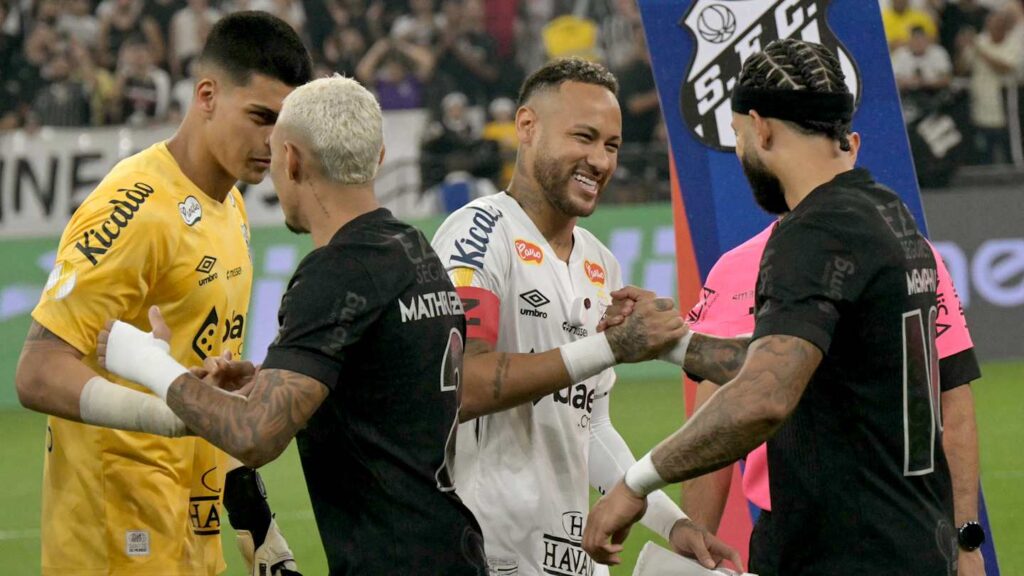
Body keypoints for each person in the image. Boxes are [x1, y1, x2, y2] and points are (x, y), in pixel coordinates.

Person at [583, 38, 964, 575]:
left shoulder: (813, 231)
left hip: (846, 555)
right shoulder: (889, 217)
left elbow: (764, 395)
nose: (741, 152)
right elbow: (791, 364)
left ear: (761, 128)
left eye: (738, 135)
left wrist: (635, 483)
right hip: (911, 544)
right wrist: (672, 344)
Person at [97, 75, 489, 576]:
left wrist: (150, 364)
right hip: (454, 550)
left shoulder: (336, 271)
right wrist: (271, 377)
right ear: (379, 157)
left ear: (291, 160)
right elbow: (386, 379)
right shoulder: (413, 249)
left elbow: (255, 436)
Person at [15, 12, 311, 576]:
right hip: (113, 540)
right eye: (260, 117)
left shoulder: (232, 207)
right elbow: (37, 371)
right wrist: (168, 413)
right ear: (206, 96)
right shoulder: (132, 205)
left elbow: (209, 391)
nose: (273, 141)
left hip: (191, 531)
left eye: (285, 123)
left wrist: (257, 524)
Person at [429, 57, 742, 576]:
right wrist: (613, 346)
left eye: (612, 146)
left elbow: (589, 425)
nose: (600, 160)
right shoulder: (478, 234)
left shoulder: (601, 263)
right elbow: (465, 386)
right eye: (584, 137)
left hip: (572, 559)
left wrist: (673, 524)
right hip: (488, 553)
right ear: (527, 126)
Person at [676, 225, 986, 575]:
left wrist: (965, 541)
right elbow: (713, 423)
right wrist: (695, 548)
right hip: (788, 540)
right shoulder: (735, 267)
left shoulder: (909, 254)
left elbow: (952, 403)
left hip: (903, 529)